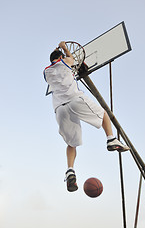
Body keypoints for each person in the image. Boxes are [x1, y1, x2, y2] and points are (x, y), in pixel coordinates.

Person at [44, 41, 130, 192]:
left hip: (59, 110)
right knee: (103, 113)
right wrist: (64, 48)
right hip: (74, 99)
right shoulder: (65, 62)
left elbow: (58, 65)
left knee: (72, 144)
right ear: (60, 57)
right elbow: (71, 59)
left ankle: (70, 170)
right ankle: (111, 139)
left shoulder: (46, 72)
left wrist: (58, 54)